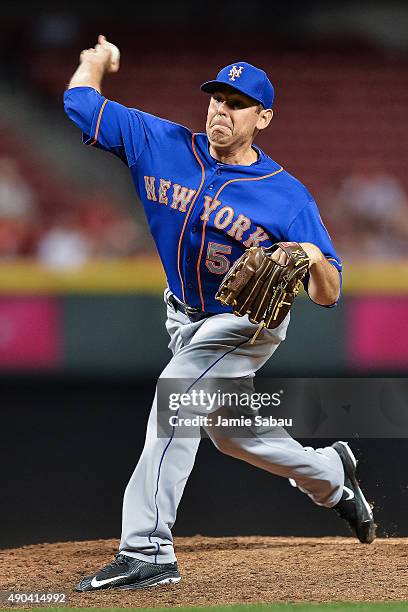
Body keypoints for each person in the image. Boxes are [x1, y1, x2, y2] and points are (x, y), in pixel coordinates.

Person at [64, 36, 375, 593]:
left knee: (177, 395)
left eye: (236, 103)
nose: (220, 110)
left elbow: (329, 293)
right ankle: (332, 475)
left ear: (264, 117)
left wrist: (307, 256)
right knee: (232, 433)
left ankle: (147, 550)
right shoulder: (161, 143)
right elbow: (80, 106)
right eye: (216, 98)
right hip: (182, 315)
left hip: (243, 323)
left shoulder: (286, 197)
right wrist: (95, 61)